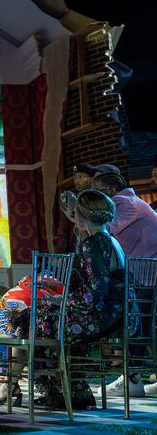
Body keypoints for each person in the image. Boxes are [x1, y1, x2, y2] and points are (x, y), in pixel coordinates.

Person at [0, 189, 136, 410]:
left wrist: (62, 302)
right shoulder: (110, 240)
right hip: (120, 314)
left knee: (31, 321)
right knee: (40, 316)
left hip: (104, 316)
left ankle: (28, 387)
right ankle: (66, 391)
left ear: (81, 215)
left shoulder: (93, 244)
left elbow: (95, 292)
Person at [91, 170, 157, 397]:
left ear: (108, 190)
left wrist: (81, 216)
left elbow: (104, 230)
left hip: (147, 272)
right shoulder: (128, 201)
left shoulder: (125, 203)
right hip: (142, 271)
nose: (95, 194)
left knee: (138, 325)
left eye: (97, 189)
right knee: (139, 325)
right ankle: (134, 378)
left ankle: (132, 379)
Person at [53, 163, 95, 253]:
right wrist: (61, 255)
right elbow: (63, 232)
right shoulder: (70, 201)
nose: (76, 181)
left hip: (95, 249)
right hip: (75, 251)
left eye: (81, 177)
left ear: (92, 179)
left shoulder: (99, 201)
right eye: (75, 177)